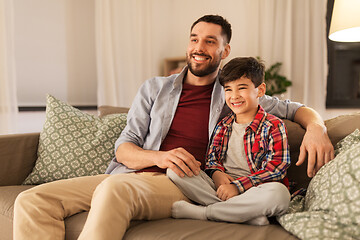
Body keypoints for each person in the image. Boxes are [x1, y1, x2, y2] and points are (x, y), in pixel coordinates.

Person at [13, 15, 334, 240]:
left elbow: (296, 109)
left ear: (225, 51)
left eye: (210, 41)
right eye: (194, 38)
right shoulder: (154, 88)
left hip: (179, 183)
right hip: (130, 174)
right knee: (32, 201)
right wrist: (161, 157)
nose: (199, 46)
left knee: (114, 191)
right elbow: (125, 148)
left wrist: (317, 127)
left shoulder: (233, 93)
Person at [167, 56, 291, 225]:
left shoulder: (273, 125)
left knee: (279, 194)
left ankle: (207, 212)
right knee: (174, 170)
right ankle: (245, 214)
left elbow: (277, 168)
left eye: (241, 88)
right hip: (221, 188)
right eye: (228, 89)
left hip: (255, 189)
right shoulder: (223, 125)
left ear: (260, 90)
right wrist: (216, 173)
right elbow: (212, 158)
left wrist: (237, 187)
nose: (234, 96)